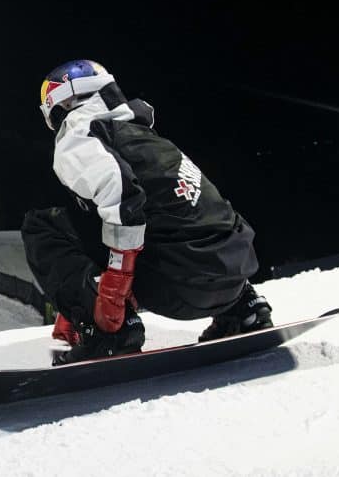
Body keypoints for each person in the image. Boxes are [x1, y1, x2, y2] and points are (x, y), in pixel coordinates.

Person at [23, 59, 273, 365]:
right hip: (233, 273)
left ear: (62, 99)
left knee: (42, 225)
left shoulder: (79, 132)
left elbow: (122, 196)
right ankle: (243, 309)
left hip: (182, 289)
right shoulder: (143, 134)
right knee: (170, 208)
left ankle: (108, 336)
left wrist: (109, 295)